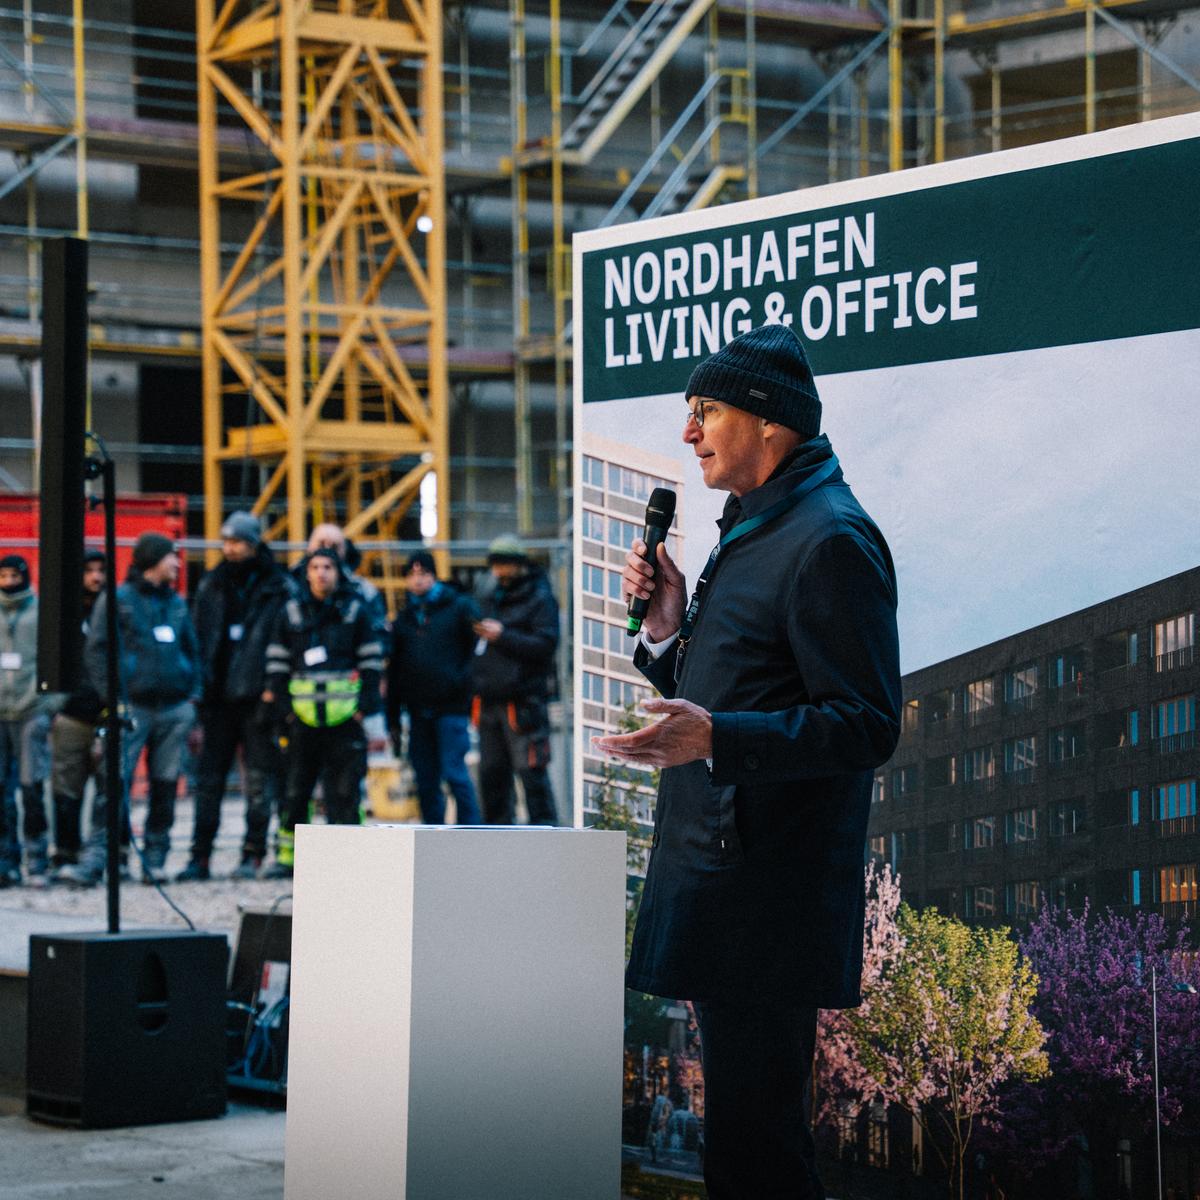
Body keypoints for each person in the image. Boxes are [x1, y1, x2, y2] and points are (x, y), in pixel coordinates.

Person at [595, 324, 901, 1200]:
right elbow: (734, 684)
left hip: (768, 901)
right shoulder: (755, 527)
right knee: (738, 1145)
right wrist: (666, 632)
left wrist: (720, 738)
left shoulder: (831, 540)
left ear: (769, 422)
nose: (688, 432)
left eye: (704, 411)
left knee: (761, 1152)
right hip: (724, 887)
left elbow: (867, 722)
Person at [177, 513, 294, 881]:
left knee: (259, 783)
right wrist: (201, 690)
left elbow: (283, 640)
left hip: (260, 699)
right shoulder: (213, 584)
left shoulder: (278, 587)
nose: (230, 548)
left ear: (254, 543)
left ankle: (252, 852)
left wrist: (272, 692)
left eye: (238, 542)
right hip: (217, 700)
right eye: (226, 541)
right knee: (209, 781)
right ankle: (200, 857)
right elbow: (199, 638)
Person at [82, 533, 200, 885]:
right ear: (153, 560)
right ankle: (101, 859)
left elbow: (193, 651)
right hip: (132, 708)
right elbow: (96, 651)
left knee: (164, 786)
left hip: (174, 709)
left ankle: (155, 860)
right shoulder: (119, 600)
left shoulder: (177, 603)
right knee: (114, 785)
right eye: (171, 557)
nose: (177, 564)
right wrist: (113, 698)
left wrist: (193, 698)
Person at [261, 548, 387, 878]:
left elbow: (372, 661)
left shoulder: (354, 610)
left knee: (345, 792)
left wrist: (363, 709)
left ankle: (347, 860)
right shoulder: (290, 612)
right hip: (302, 721)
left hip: (345, 721)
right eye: (315, 567)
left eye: (328, 567)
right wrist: (286, 711)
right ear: (306, 573)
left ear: (338, 572)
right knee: (295, 792)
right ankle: (290, 859)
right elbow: (276, 662)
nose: (321, 573)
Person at [386, 551, 482, 824]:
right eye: (412, 575)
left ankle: (471, 834)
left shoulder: (459, 608)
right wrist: (392, 716)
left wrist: (463, 687)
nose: (418, 580)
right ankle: (433, 836)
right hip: (418, 711)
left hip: (451, 707)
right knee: (426, 778)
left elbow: (476, 652)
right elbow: (395, 669)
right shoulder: (404, 619)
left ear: (433, 575)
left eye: (423, 573)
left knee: (455, 774)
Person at [470, 535, 559, 826]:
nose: (500, 571)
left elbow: (546, 644)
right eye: (496, 565)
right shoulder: (487, 591)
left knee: (532, 777)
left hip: (523, 704)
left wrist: (503, 636)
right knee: (491, 780)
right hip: (488, 703)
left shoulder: (540, 596)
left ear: (520, 564)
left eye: (506, 564)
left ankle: (546, 846)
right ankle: (496, 849)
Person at [47, 550, 106, 874]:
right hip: (71, 712)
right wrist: (54, 706)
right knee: (66, 788)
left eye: (100, 570)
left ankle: (111, 855)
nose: (95, 577)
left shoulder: (114, 610)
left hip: (108, 711)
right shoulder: (64, 613)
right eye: (89, 570)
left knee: (110, 789)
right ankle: (66, 852)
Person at [0, 555, 54, 886]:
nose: (7, 582)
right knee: (1, 794)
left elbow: (57, 659)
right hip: (0, 714)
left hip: (31, 710)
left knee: (32, 788)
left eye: (12, 575)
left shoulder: (40, 612)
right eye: (2, 575)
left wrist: (48, 704)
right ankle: (6, 860)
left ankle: (37, 859)